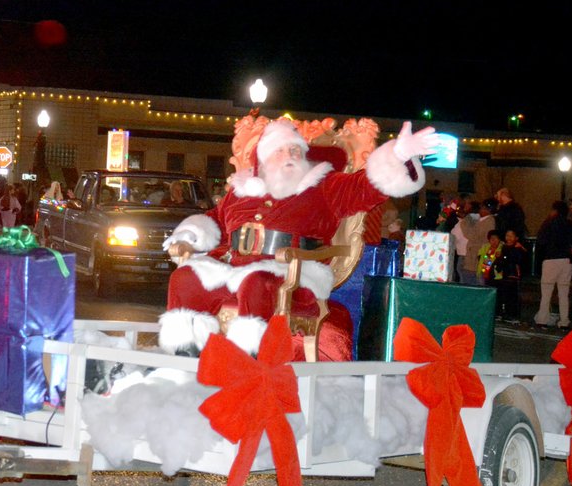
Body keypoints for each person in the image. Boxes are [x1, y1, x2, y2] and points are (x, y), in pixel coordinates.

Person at [159, 118, 437, 360]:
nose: (290, 155)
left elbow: (366, 188)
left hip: (294, 274)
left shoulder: (323, 186)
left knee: (256, 283)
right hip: (235, 268)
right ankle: (186, 352)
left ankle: (249, 357)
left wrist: (398, 155)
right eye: (280, 151)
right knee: (185, 277)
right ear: (264, 160)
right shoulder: (242, 191)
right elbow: (213, 220)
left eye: (295, 150)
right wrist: (188, 237)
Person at [534, 200, 572, 328]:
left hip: (550, 260)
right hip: (566, 261)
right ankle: (564, 321)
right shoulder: (569, 224)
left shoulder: (549, 223)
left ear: (555, 210)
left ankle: (542, 319)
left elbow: (541, 240)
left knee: (546, 291)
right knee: (564, 293)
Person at [493, 229, 526, 323]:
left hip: (514, 274)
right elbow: (503, 260)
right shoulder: (504, 247)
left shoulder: (518, 248)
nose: (509, 238)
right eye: (507, 235)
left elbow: (518, 260)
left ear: (516, 238)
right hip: (505, 274)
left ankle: (513, 315)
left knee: (513, 296)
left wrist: (504, 257)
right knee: (504, 295)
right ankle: (503, 313)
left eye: (511, 236)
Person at [461, 198, 496, 285]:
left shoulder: (489, 222)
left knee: (477, 280)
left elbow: (472, 235)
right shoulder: (481, 220)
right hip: (474, 256)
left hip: (478, 257)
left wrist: (465, 223)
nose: (480, 210)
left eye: (482, 208)